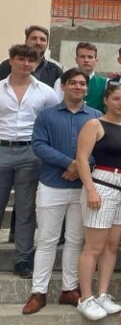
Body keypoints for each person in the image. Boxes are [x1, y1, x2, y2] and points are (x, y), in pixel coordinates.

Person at [22, 68, 102, 315]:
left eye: (82, 84)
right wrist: (70, 164)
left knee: (76, 241)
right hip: (51, 185)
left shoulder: (96, 116)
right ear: (63, 86)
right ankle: (39, 292)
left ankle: (69, 289)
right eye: (73, 83)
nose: (78, 87)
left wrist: (82, 167)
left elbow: (101, 150)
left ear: (86, 89)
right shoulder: (46, 115)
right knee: (47, 240)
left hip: (82, 188)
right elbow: (38, 144)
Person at [75, 84, 121, 320]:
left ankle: (102, 293)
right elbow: (81, 159)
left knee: (112, 246)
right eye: (117, 99)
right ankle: (86, 297)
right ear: (106, 100)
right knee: (93, 247)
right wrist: (90, 189)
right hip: (102, 186)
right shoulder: (94, 125)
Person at [0, 44, 59, 279]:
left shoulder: (45, 92)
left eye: (30, 61)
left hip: (30, 153)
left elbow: (53, 122)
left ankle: (22, 259)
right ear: (11, 60)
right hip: (1, 148)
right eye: (21, 59)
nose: (26, 64)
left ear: (35, 63)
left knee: (25, 210)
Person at [53, 42, 108, 113]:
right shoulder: (62, 81)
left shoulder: (106, 83)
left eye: (90, 57)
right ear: (76, 60)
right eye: (82, 56)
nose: (86, 60)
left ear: (96, 61)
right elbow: (56, 106)